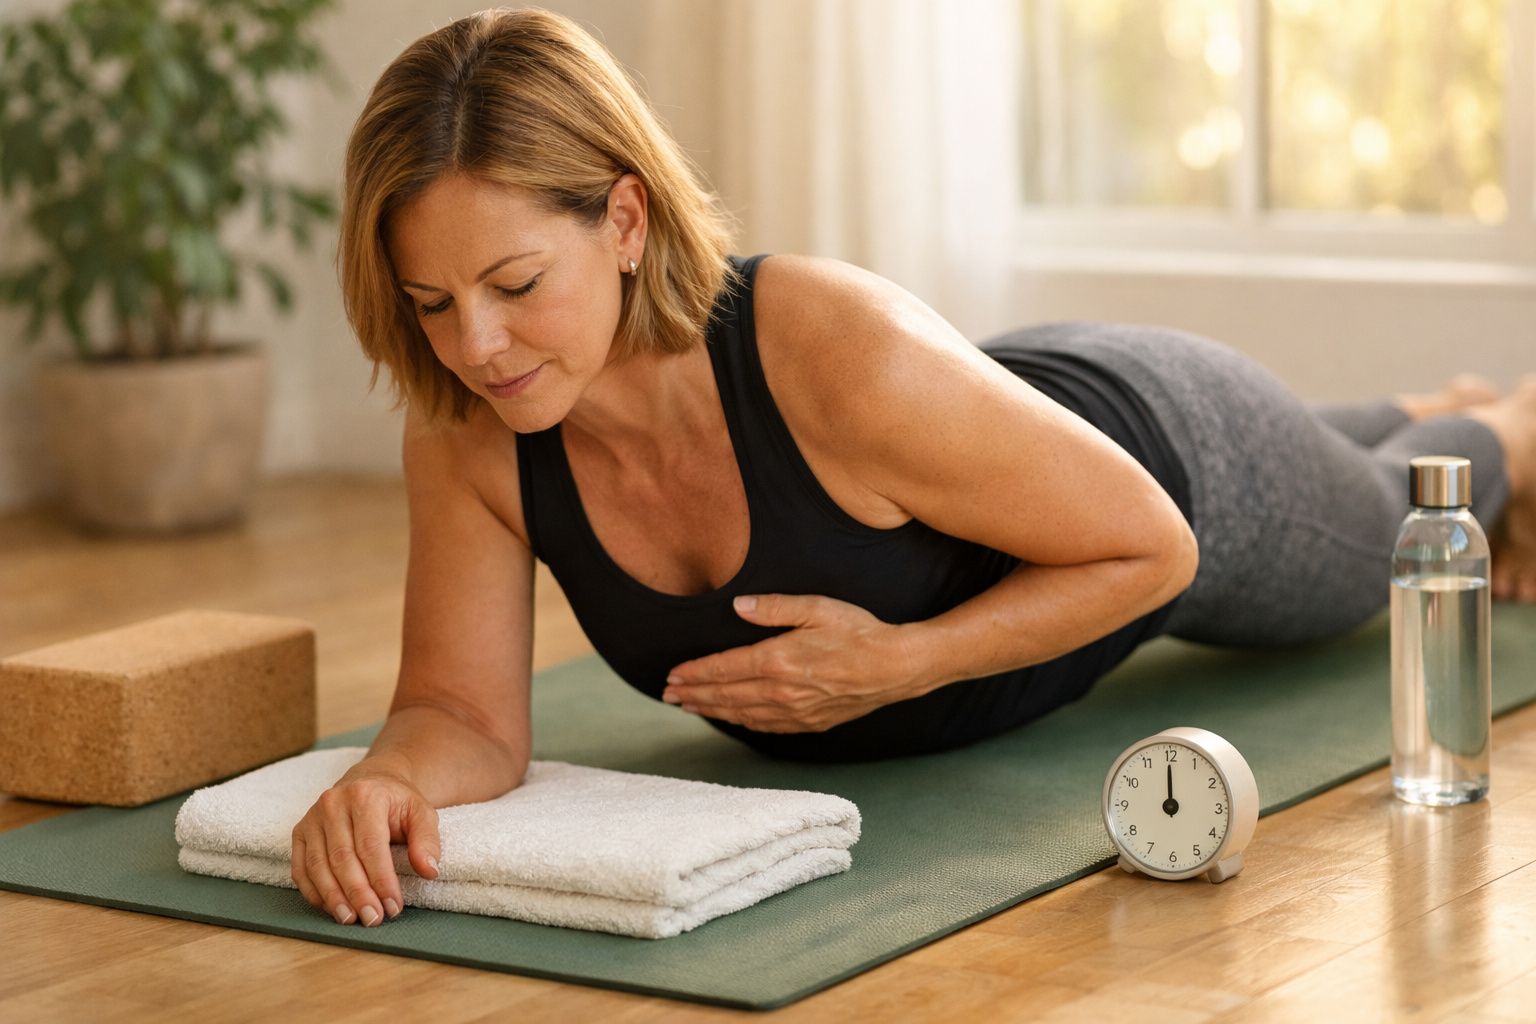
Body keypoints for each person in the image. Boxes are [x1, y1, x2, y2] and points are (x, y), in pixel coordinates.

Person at [289, 7, 1536, 929]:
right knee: (1352, 450)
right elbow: (461, 715)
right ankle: (1432, 405)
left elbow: (1155, 545)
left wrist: (904, 662)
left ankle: (1513, 426)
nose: (476, 345)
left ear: (624, 221)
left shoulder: (831, 347)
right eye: (430, 302)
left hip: (1183, 457)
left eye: (514, 285)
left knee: (1388, 520)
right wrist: (390, 774)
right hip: (999, 433)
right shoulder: (468, 430)